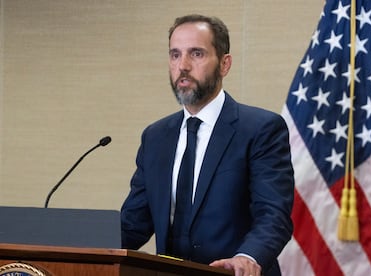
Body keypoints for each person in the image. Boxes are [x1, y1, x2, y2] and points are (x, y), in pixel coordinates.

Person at [121, 14, 294, 276]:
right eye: (175, 55)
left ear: (224, 64)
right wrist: (79, 249)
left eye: (197, 54)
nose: (183, 66)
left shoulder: (261, 129)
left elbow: (273, 215)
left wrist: (247, 257)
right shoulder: (155, 137)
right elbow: (134, 223)